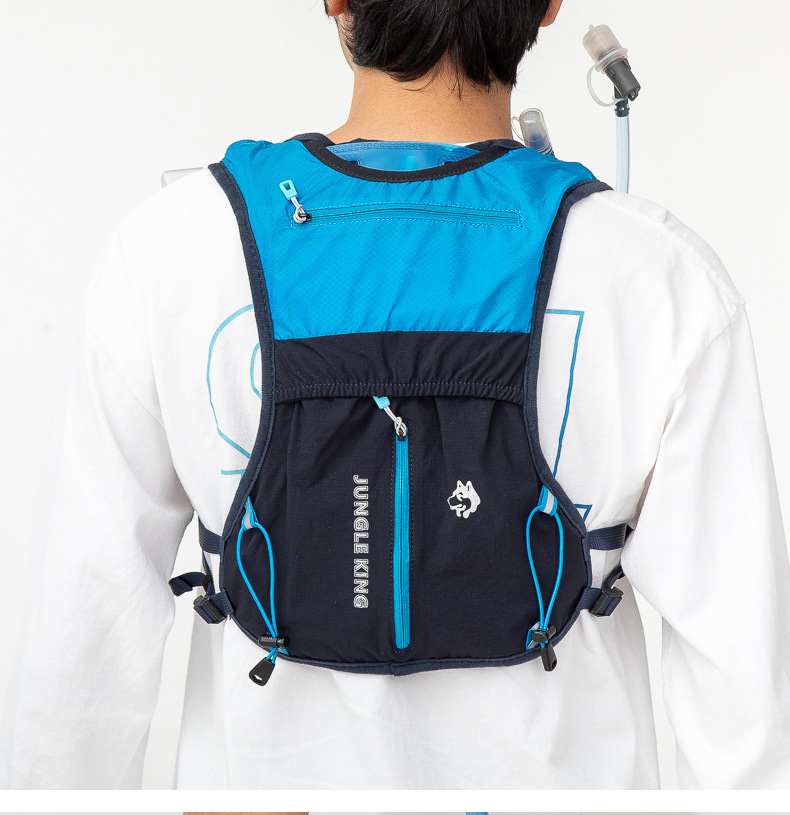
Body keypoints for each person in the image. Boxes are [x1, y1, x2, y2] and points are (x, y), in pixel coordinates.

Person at [1, 0, 789, 791]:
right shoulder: (661, 278)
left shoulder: (168, 252)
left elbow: (78, 664)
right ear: (550, 5)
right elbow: (746, 720)